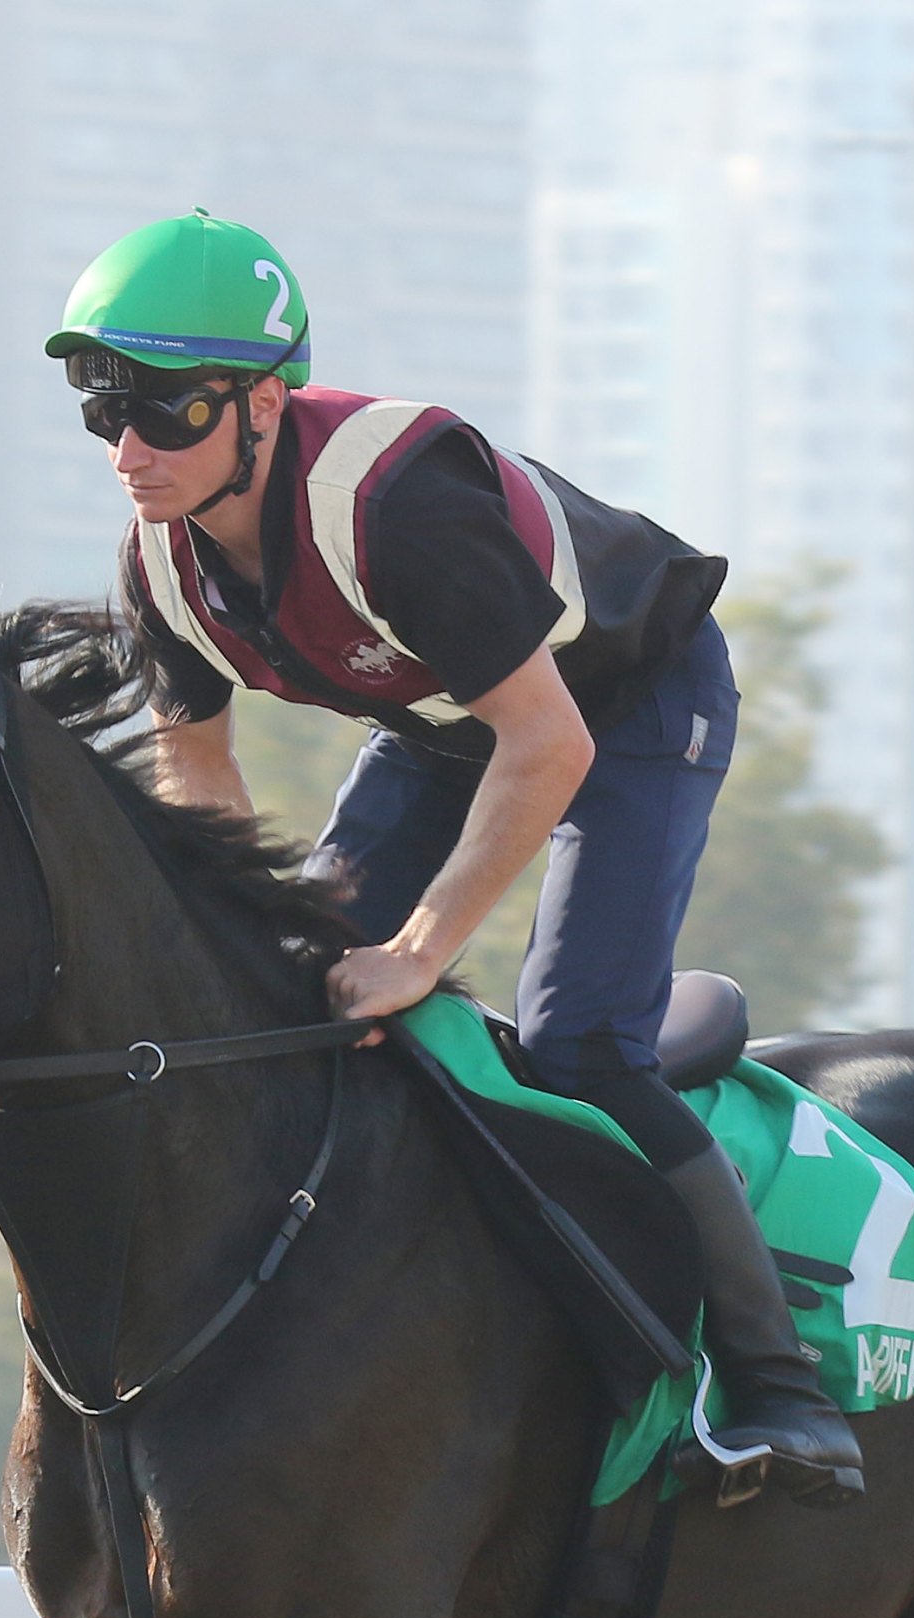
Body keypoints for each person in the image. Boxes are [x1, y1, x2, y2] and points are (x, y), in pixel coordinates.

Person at [49, 208, 864, 1507]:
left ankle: (778, 1389)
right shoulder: (162, 560)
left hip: (626, 707)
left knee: (577, 1038)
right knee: (295, 1008)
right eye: (103, 409)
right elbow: (195, 771)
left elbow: (544, 746)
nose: (132, 449)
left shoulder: (394, 509)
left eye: (169, 410)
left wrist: (421, 952)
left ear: (267, 403)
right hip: (441, 728)